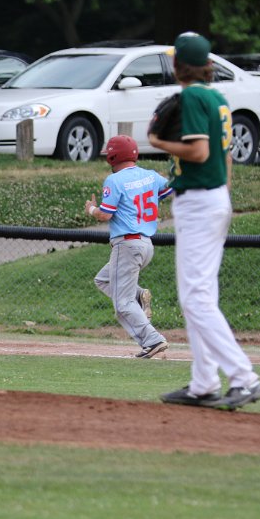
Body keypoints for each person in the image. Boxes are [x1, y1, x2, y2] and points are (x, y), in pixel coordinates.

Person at [148, 31, 260, 410]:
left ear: (178, 65)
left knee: (196, 298)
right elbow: (224, 156)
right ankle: (204, 383)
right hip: (213, 197)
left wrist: (158, 142)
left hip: (199, 200)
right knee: (199, 296)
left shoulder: (194, 97)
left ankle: (244, 378)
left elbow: (198, 152)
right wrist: (221, 196)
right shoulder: (218, 98)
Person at [84, 135, 172, 359]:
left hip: (127, 245)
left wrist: (92, 209)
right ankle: (140, 295)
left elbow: (105, 214)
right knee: (103, 280)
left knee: (123, 304)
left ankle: (153, 340)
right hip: (146, 244)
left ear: (112, 157)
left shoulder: (114, 180)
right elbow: (171, 190)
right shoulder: (150, 175)